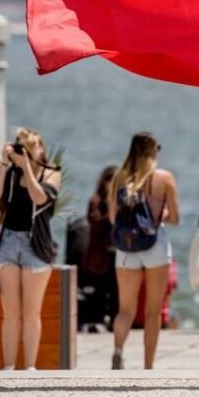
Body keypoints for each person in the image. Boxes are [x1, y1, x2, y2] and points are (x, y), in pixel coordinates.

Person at [0, 127, 61, 370]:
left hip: (35, 245)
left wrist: (27, 167)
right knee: (10, 312)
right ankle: (8, 366)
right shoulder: (11, 173)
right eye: (23, 147)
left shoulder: (51, 173)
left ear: (41, 148)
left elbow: (39, 198)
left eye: (32, 147)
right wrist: (3, 164)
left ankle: (30, 367)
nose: (28, 152)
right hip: (8, 242)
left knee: (31, 313)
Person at [109, 132, 179, 370]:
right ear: (153, 151)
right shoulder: (164, 178)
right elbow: (175, 218)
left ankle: (118, 350)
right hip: (155, 246)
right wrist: (160, 214)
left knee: (125, 310)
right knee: (153, 311)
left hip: (126, 246)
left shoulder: (119, 177)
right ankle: (148, 366)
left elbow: (112, 217)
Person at [82, 165, 119, 332]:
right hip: (100, 255)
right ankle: (97, 322)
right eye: (109, 179)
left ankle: (114, 321)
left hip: (118, 253)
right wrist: (110, 210)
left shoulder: (122, 201)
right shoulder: (96, 201)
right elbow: (95, 223)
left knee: (117, 291)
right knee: (100, 290)